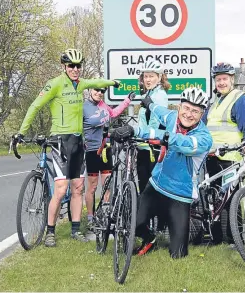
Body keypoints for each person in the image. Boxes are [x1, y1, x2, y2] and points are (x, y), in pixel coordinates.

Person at [13, 49, 120, 247]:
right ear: (64, 66)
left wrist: (113, 83)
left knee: (78, 188)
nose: (75, 69)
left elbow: (97, 82)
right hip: (61, 140)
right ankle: (50, 232)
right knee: (61, 189)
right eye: (71, 65)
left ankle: (75, 230)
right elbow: (35, 106)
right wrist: (21, 131)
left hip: (79, 142)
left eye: (78, 66)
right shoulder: (54, 84)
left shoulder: (81, 84)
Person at [110, 86, 212, 259]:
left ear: (201, 115)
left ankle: (177, 236)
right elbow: (160, 111)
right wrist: (149, 104)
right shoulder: (172, 117)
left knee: (178, 255)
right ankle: (150, 238)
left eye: (195, 111)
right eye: (186, 108)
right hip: (156, 187)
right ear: (179, 107)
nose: (189, 114)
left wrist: (137, 130)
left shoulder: (204, 138)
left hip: (180, 195)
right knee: (134, 224)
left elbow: (180, 141)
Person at [202, 62, 245, 243]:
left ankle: (236, 239)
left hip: (231, 157)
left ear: (232, 80)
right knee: (215, 197)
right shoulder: (214, 102)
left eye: (224, 79)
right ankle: (217, 237)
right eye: (218, 79)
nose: (221, 83)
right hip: (212, 155)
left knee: (233, 198)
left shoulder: (238, 98)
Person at [83, 87, 135, 231]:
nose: (99, 93)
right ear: (90, 90)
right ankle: (90, 218)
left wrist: (127, 100)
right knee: (92, 187)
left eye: (102, 91)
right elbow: (89, 123)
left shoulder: (103, 105)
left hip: (106, 149)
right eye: (97, 90)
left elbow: (114, 113)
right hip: (92, 151)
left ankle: (105, 216)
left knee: (107, 186)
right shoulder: (84, 107)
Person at [136, 59, 169, 194]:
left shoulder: (160, 95)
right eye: (145, 76)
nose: (148, 80)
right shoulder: (149, 94)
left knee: (150, 190)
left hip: (152, 148)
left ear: (159, 77)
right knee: (144, 187)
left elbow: (157, 124)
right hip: (143, 146)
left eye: (151, 76)